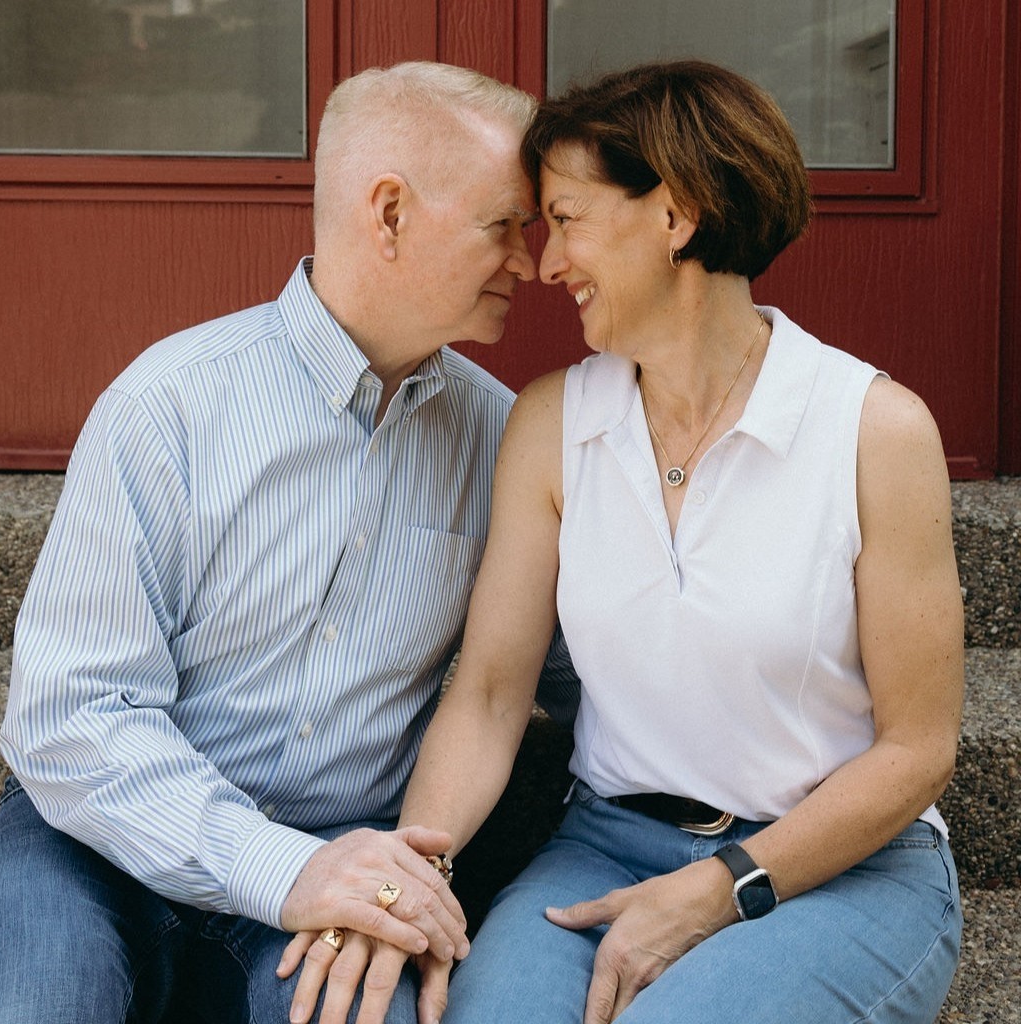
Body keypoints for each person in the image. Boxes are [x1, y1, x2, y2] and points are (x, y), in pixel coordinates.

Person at [299, 60, 965, 1023]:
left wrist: (718, 889)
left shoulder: (873, 431)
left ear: (676, 214)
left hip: (841, 865)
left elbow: (916, 750)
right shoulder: (552, 424)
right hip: (605, 846)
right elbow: (489, 693)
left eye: (566, 219)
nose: (548, 263)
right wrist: (408, 875)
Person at [0, 61, 559, 1024]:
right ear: (389, 214)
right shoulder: (169, 406)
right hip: (98, 847)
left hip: (349, 865)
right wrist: (282, 868)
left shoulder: (504, 441)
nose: (529, 261)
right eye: (502, 225)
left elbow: (588, 679)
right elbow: (69, 717)